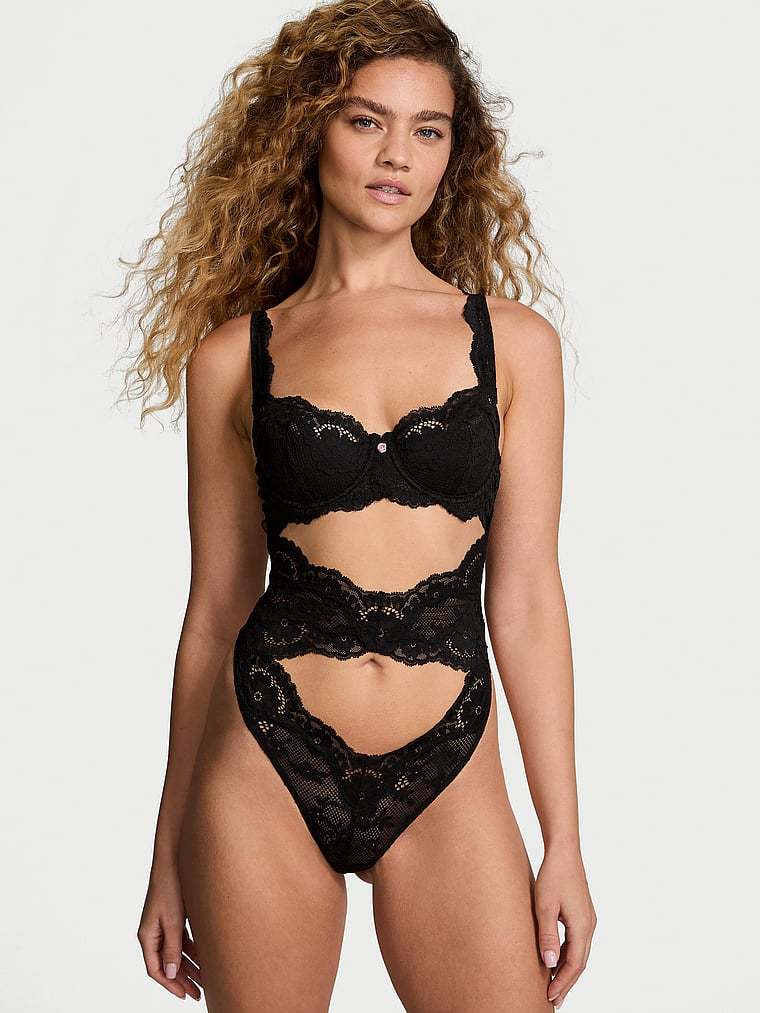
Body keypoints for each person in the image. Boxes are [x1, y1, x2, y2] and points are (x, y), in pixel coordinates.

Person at [120, 1, 596, 1008]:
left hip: (448, 757)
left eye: (429, 130)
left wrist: (563, 838)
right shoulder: (233, 357)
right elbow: (214, 608)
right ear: (310, 129)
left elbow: (525, 596)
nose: (397, 155)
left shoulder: (513, 342)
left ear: (454, 154)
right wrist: (166, 848)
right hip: (261, 754)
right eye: (366, 120)